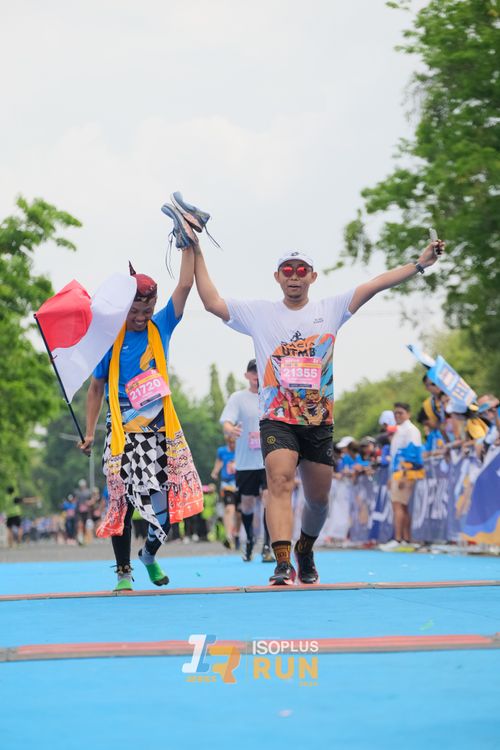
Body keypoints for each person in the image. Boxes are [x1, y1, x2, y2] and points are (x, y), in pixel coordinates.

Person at [192, 198, 444, 584]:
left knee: (318, 499)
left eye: (301, 271)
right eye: (287, 270)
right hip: (277, 417)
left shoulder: (332, 308)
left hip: (318, 421)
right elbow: (211, 301)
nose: (294, 277)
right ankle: (281, 563)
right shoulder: (259, 313)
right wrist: (195, 248)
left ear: (313, 276)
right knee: (278, 481)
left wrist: (420, 264)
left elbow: (375, 284)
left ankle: (305, 549)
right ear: (277, 277)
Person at [79, 203, 203, 591]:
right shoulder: (109, 341)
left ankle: (148, 554)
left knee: (163, 513)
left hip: (159, 432)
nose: (141, 316)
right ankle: (123, 572)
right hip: (121, 433)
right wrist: (90, 431)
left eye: (147, 309)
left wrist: (188, 243)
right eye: (135, 310)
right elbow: (95, 388)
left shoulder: (161, 326)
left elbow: (185, 287)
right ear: (124, 308)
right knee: (123, 501)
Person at [220, 358, 273, 563]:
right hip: (245, 462)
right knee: (248, 503)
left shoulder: (271, 395)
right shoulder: (238, 398)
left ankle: (268, 545)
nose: (256, 375)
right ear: (247, 375)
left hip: (268, 460)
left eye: (259, 371)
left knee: (268, 499)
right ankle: (250, 540)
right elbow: (226, 421)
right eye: (252, 371)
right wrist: (231, 430)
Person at [380, 402, 423, 551]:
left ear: (408, 414)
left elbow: (413, 453)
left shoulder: (411, 430)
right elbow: (395, 456)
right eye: (395, 413)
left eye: (401, 413)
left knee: (398, 506)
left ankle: (398, 539)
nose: (397, 416)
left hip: (404, 473)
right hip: (397, 473)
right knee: (401, 506)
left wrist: (404, 474)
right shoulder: (399, 430)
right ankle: (405, 539)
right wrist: (391, 476)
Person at [211, 436, 240, 549]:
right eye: (230, 443)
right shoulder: (222, 451)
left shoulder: (241, 451)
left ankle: (236, 534)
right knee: (229, 509)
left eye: (234, 443)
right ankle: (228, 536)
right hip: (227, 484)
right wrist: (215, 472)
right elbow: (219, 462)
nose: (232, 445)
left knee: (239, 513)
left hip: (240, 483)